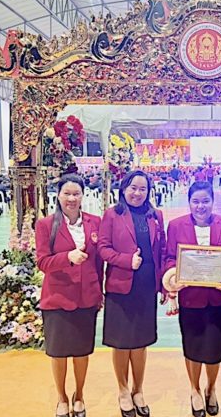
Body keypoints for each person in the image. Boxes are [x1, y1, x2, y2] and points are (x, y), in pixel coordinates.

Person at [162, 181, 221, 417]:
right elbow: (169, 257)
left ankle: (211, 389)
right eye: (195, 201)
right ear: (189, 202)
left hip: (219, 298)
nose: (200, 206)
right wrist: (174, 277)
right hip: (191, 298)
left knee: (215, 348)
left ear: (213, 201)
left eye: (205, 201)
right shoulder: (176, 225)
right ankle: (195, 389)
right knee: (192, 346)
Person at [98, 170, 166, 417]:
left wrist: (165, 283)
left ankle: (138, 389)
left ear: (148, 192)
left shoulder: (156, 215)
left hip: (146, 286)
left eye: (142, 189)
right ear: (124, 189)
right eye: (133, 188)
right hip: (120, 286)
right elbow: (103, 248)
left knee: (140, 341)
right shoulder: (112, 214)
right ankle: (123, 390)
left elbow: (162, 250)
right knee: (121, 342)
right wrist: (126, 260)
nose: (137, 193)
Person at [36, 174, 104, 417]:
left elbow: (99, 263)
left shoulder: (95, 222)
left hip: (87, 297)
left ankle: (80, 395)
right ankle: (62, 397)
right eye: (67, 193)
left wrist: (99, 292)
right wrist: (67, 258)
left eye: (76, 194)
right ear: (58, 195)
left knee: (82, 352)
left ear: (83, 196)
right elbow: (42, 262)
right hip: (57, 298)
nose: (72, 199)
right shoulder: (46, 225)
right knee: (58, 352)